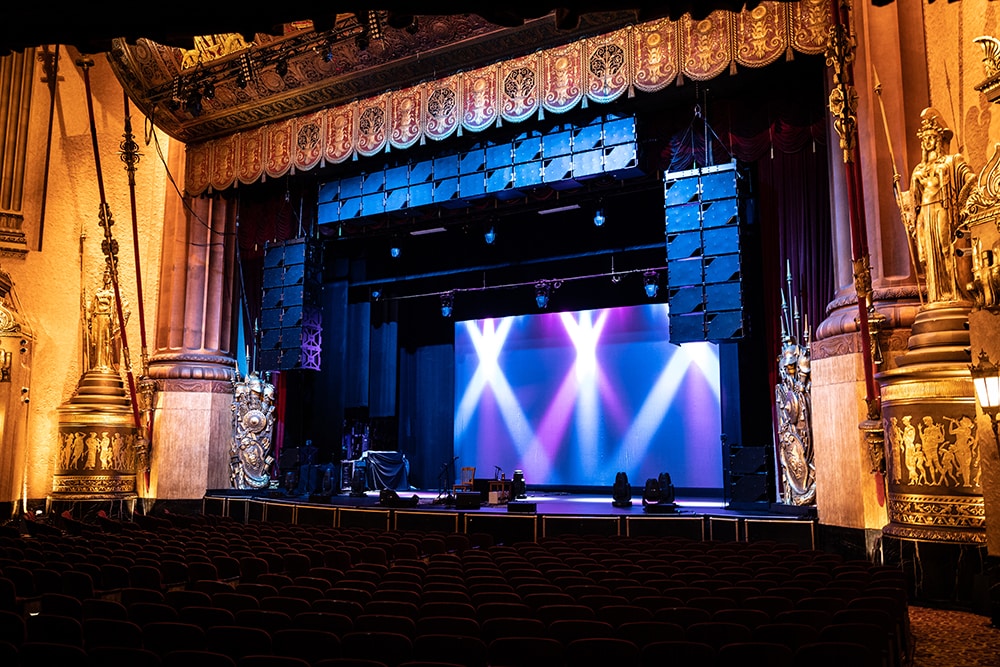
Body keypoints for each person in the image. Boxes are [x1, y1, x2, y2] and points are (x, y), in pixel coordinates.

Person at [901, 108, 976, 304]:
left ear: (939, 139)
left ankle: (953, 293)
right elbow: (913, 201)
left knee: (945, 249)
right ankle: (935, 297)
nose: (928, 141)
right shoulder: (919, 169)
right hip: (924, 214)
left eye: (932, 137)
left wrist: (962, 206)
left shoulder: (952, 161)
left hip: (942, 209)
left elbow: (971, 180)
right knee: (927, 255)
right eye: (924, 138)